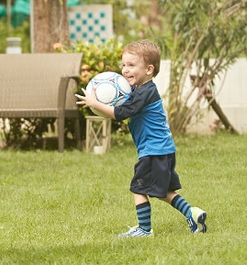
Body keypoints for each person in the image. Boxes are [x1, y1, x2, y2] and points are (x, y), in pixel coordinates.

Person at [75, 39, 207, 237]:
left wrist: (94, 102)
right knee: (163, 192)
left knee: (138, 188)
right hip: (162, 150)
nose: (125, 70)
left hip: (154, 151)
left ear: (149, 69)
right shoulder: (139, 90)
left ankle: (144, 229)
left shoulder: (145, 92)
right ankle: (193, 213)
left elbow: (120, 113)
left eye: (131, 65)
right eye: (123, 65)